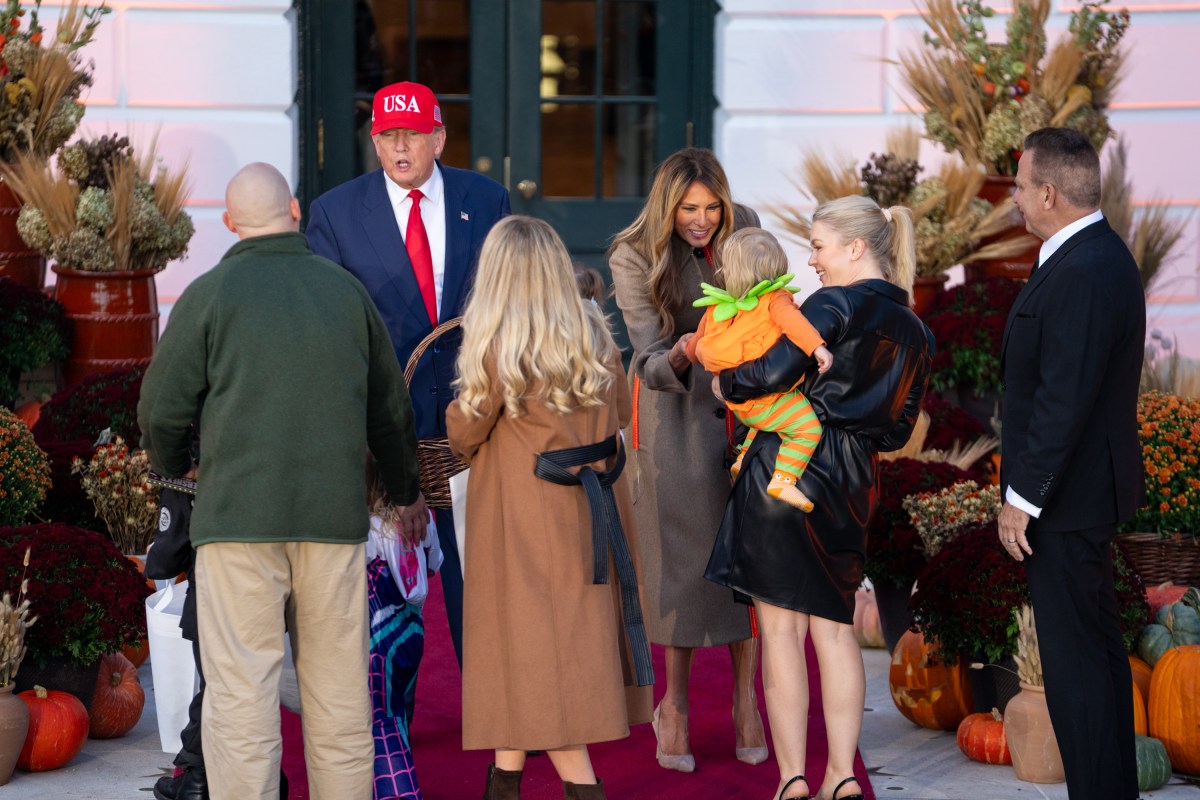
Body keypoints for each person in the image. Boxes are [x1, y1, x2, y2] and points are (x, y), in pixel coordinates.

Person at [138, 162, 426, 800]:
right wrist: (406, 493)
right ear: (295, 210)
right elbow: (391, 414)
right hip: (332, 522)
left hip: (237, 524)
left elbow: (160, 410)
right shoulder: (347, 293)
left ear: (230, 223)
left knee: (241, 699)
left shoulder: (210, 295)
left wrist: (175, 462)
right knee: (340, 698)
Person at [706, 195, 933, 800]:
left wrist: (725, 381)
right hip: (855, 480)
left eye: (819, 246)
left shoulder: (831, 303)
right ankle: (841, 777)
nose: (811, 261)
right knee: (835, 630)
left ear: (856, 248)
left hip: (788, 460)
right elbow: (896, 431)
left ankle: (793, 780)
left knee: (779, 632)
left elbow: (773, 373)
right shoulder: (916, 330)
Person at [306, 80, 511, 668]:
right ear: (374, 142)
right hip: (384, 440)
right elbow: (331, 331)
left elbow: (508, 306)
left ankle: (493, 709)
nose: (400, 148)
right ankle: (393, 717)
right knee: (387, 593)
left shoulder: (488, 200)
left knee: (480, 583)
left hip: (474, 431)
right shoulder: (335, 214)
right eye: (388, 136)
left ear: (439, 138)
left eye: (413, 135)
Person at [447, 216, 653, 800]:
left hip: (523, 523)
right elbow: (617, 414)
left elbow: (463, 436)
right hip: (588, 515)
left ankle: (583, 791)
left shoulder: (499, 350)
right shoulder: (593, 336)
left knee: (542, 669)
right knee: (532, 657)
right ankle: (503, 785)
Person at [608, 146, 767, 772]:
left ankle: (744, 701)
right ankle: (672, 706)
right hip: (674, 415)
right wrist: (692, 349)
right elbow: (646, 356)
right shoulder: (632, 252)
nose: (700, 220)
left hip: (750, 412)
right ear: (665, 206)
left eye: (711, 208)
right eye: (687, 209)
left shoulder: (745, 226)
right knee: (681, 561)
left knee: (750, 561)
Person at [998, 127, 1145, 800]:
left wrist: (1022, 498)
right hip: (1080, 495)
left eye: (1022, 186)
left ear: (1049, 192)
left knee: (1078, 665)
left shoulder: (1085, 267)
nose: (1016, 199)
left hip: (1067, 501)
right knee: (1092, 656)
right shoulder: (1084, 256)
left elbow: (1065, 396)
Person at [685, 227, 833, 511]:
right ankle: (784, 480)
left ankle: (742, 459)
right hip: (767, 400)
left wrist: (686, 352)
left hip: (738, 402)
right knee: (807, 428)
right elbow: (794, 324)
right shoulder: (775, 299)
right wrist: (817, 347)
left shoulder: (718, 306)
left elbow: (696, 344)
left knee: (761, 424)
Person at [364, 458, 443, 800]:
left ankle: (397, 791)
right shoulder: (419, 519)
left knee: (379, 723)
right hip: (411, 632)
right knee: (399, 713)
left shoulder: (365, 527)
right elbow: (434, 565)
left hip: (375, 640)